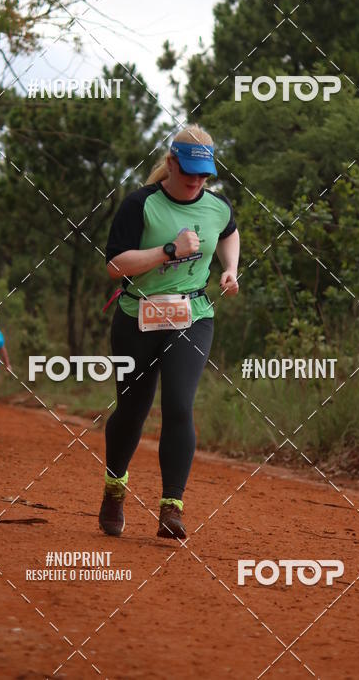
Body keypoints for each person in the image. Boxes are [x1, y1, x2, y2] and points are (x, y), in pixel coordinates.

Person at [100, 125, 240, 540]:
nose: (196, 181)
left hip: (192, 315)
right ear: (172, 163)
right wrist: (169, 251)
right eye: (189, 172)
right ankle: (114, 487)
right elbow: (114, 266)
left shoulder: (217, 206)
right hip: (137, 318)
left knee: (179, 405)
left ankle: (171, 507)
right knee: (132, 410)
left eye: (204, 174)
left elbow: (229, 233)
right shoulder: (140, 204)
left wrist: (230, 269)